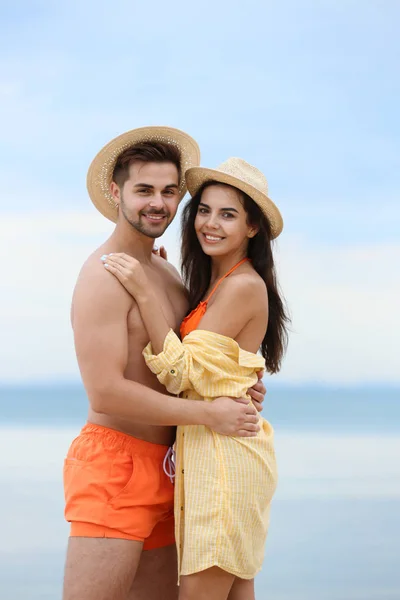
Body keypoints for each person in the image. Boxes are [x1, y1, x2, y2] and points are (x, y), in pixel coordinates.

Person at [63, 128, 267, 600]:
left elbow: (188, 367)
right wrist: (210, 414)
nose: (158, 203)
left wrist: (235, 389)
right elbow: (105, 391)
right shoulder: (103, 275)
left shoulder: (168, 273)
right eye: (144, 190)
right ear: (116, 192)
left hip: (177, 468)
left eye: (169, 191)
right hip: (116, 463)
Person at [103, 157, 289, 600]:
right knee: (235, 591)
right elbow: (213, 368)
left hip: (224, 463)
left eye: (228, 215)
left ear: (252, 228)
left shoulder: (243, 286)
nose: (210, 223)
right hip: (222, 455)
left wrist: (145, 290)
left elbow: (179, 373)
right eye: (204, 210)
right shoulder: (215, 284)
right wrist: (164, 279)